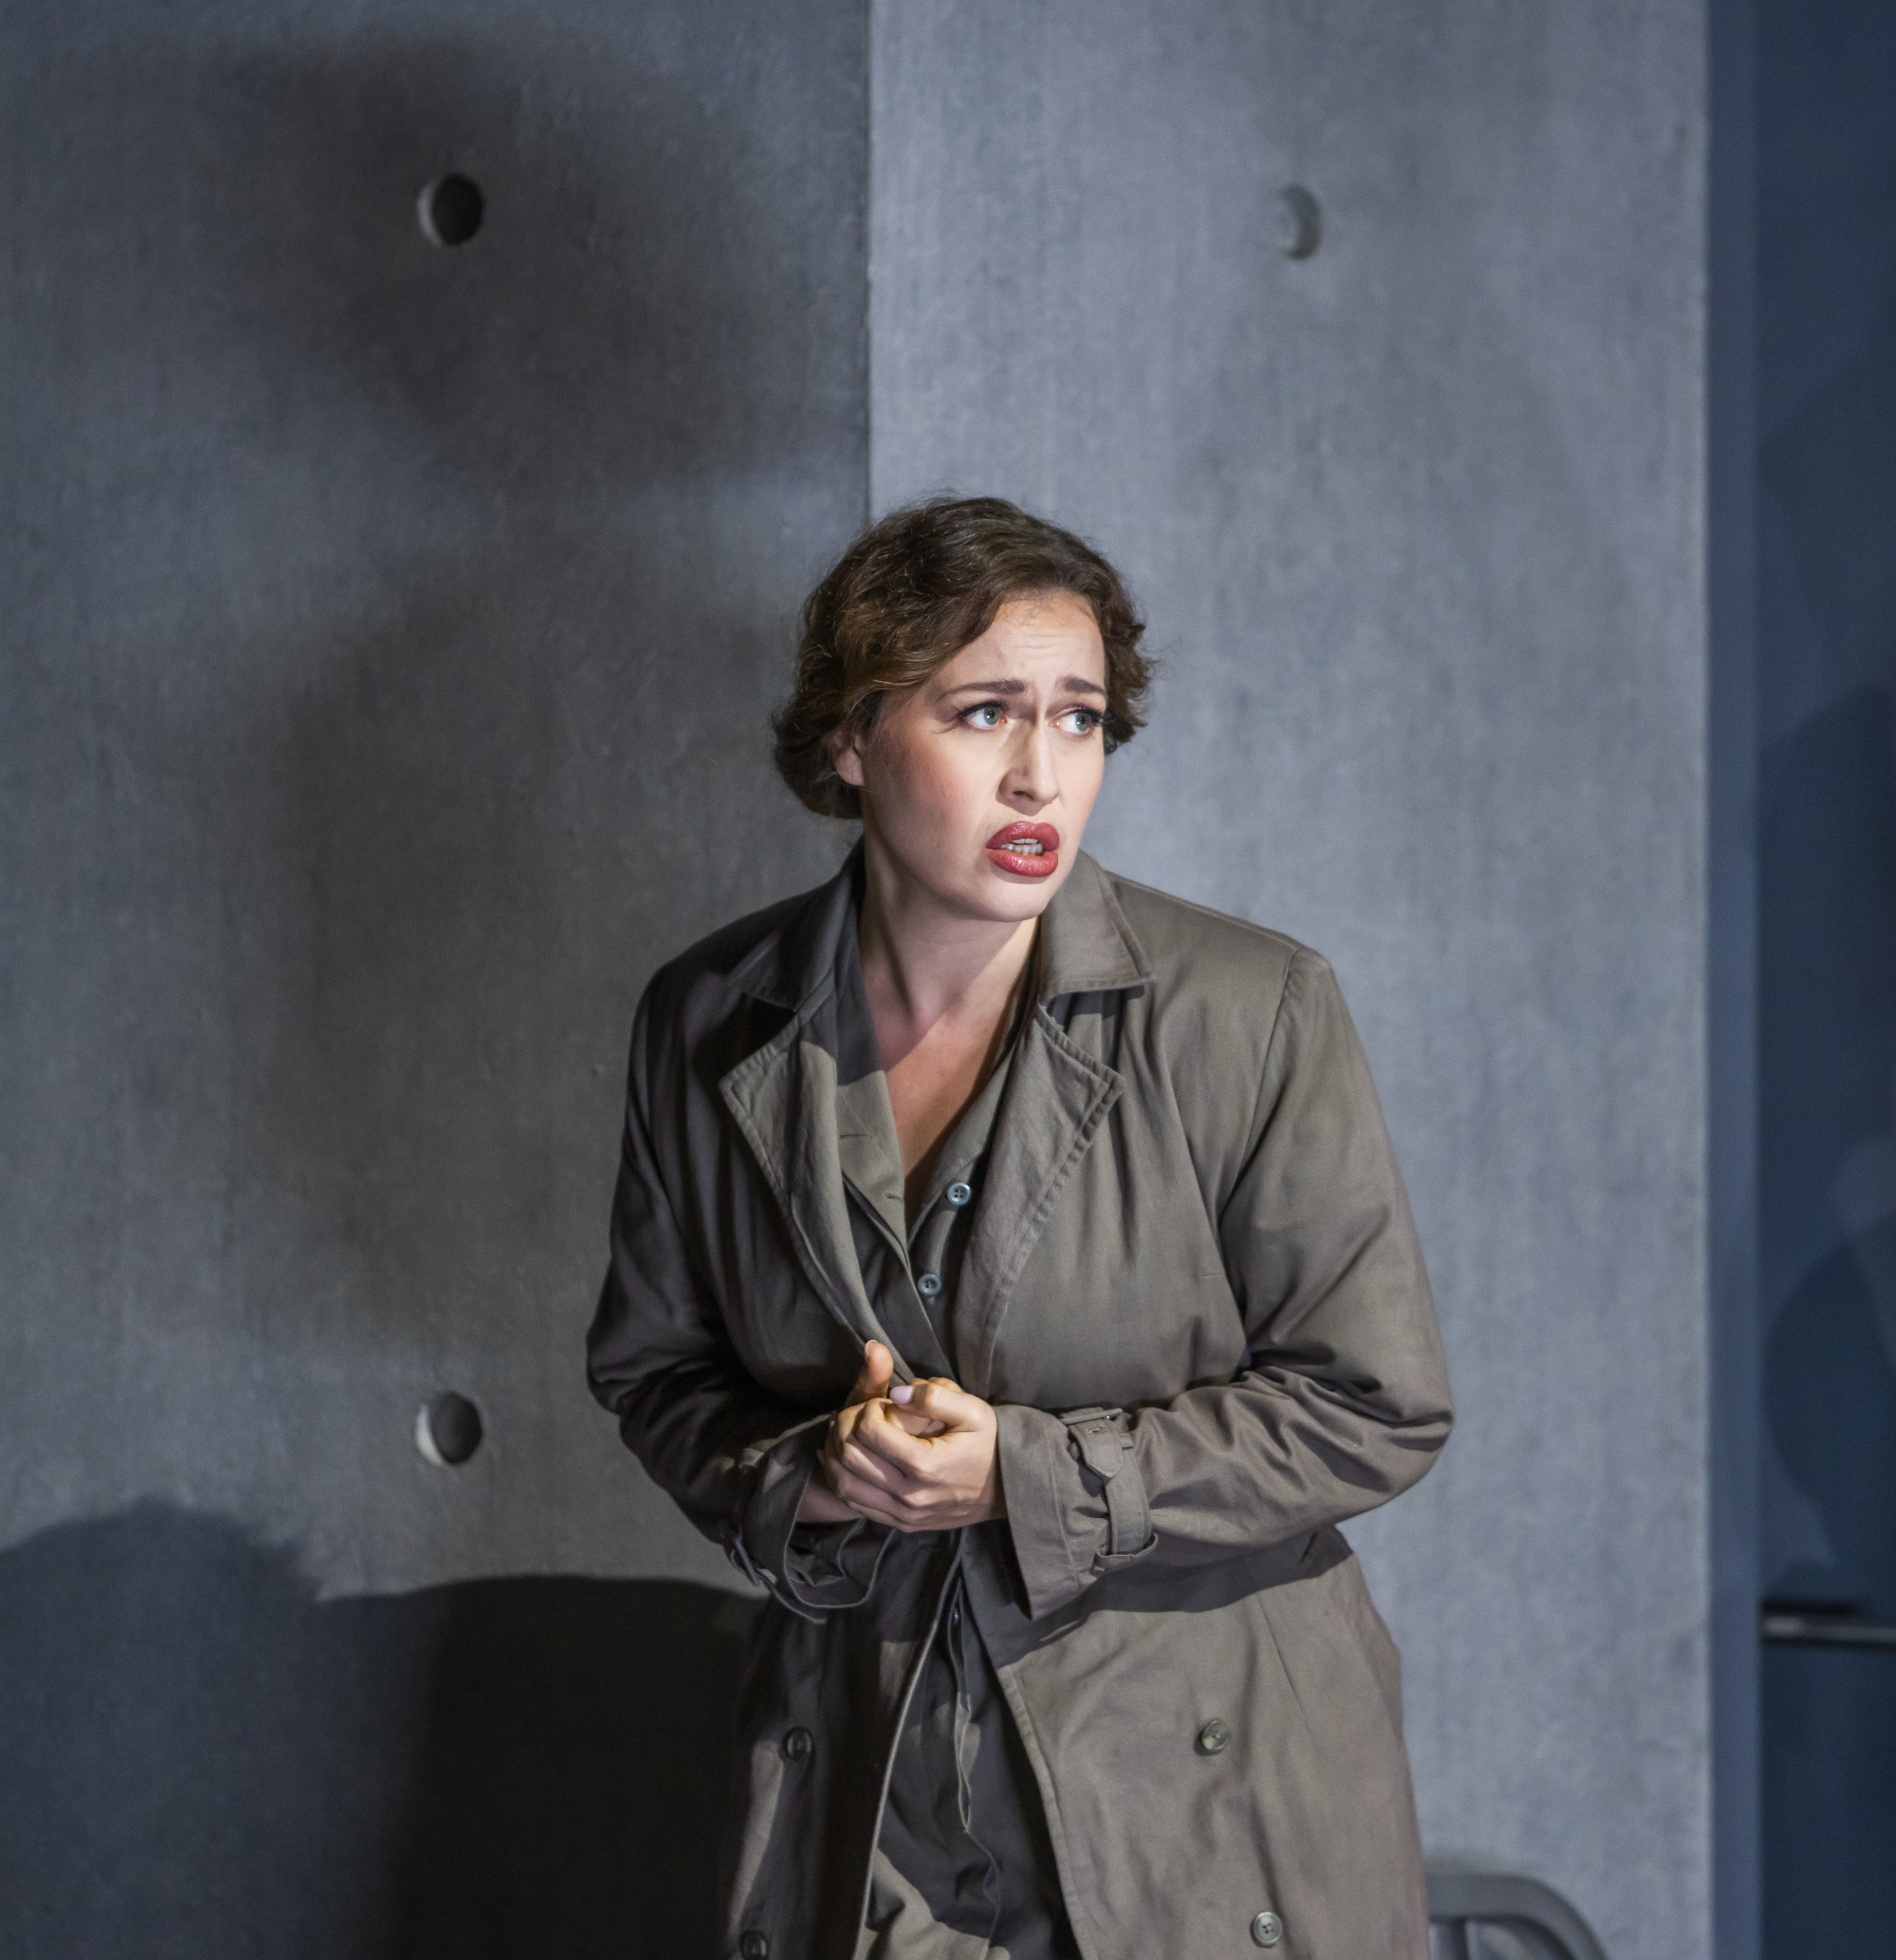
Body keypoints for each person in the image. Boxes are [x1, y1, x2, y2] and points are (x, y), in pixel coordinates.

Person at [586, 497, 1452, 1959]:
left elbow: (1374, 1404)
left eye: (1082, 717)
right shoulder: (708, 1018)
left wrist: (1030, 1475)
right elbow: (656, 1372)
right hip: (873, 1801)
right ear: (852, 740)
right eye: (984, 712)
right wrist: (813, 1473)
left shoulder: (1252, 1009)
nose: (1043, 769)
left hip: (1194, 1806)